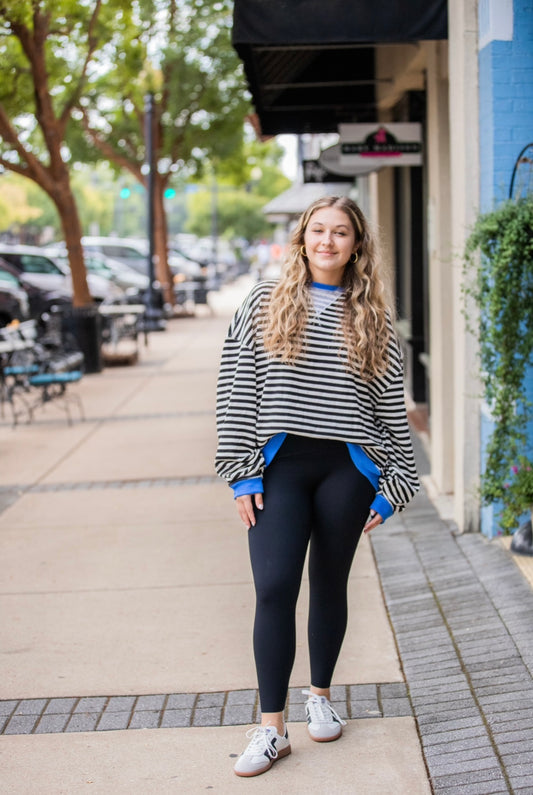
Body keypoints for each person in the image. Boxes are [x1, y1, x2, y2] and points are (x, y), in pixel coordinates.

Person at [215, 195, 419, 777]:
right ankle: (271, 727)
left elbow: (388, 411)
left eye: (341, 233)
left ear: (358, 246)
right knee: (274, 586)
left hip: (345, 469)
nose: (327, 241)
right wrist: (240, 472)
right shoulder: (261, 303)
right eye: (318, 231)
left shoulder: (373, 317)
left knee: (329, 581)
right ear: (302, 238)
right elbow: (236, 389)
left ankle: (321, 694)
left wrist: (394, 483)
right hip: (277, 467)